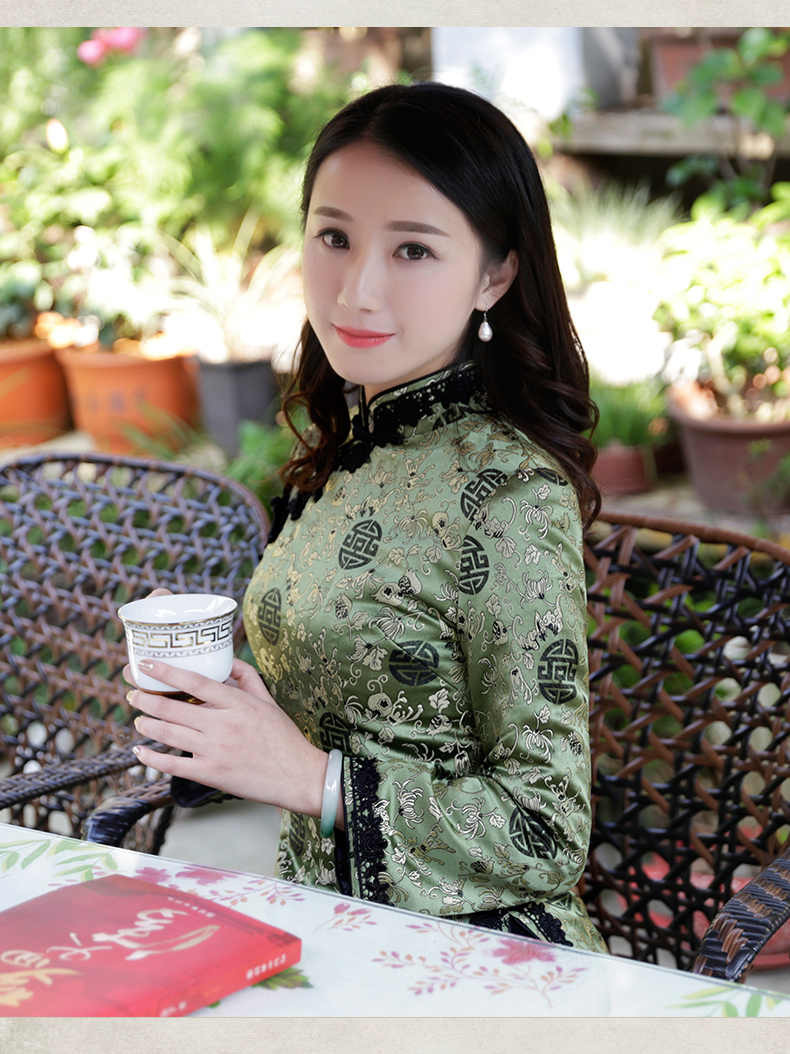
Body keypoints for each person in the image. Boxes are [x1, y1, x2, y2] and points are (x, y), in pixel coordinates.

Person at [129, 81, 607, 954]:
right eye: (334, 237)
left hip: (476, 962)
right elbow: (351, 706)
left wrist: (313, 779)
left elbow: (545, 828)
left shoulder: (509, 492)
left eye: (413, 249)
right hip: (321, 933)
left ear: (495, 274)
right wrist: (217, 707)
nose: (355, 290)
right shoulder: (352, 444)